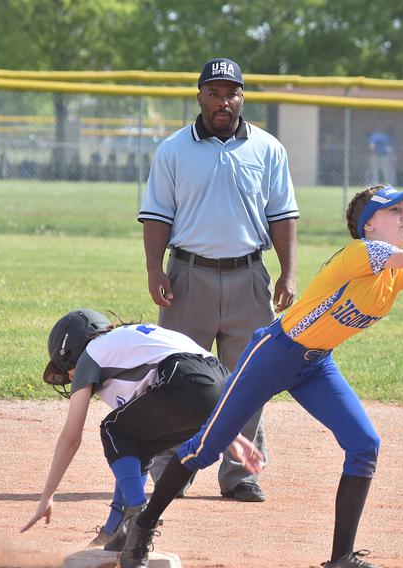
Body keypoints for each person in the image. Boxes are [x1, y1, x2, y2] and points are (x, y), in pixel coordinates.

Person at [115, 185, 403, 568]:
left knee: (364, 444)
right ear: (369, 223)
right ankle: (143, 525)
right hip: (274, 353)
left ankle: (341, 558)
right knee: (205, 448)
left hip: (315, 363)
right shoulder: (362, 253)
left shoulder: (396, 272)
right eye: (396, 209)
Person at [138, 57, 299, 503]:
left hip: (249, 276)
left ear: (243, 97)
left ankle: (240, 474)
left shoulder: (268, 148)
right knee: (177, 377)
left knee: (249, 379)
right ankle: (171, 469)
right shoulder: (173, 149)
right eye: (213, 92)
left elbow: (283, 215)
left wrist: (288, 272)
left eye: (231, 92)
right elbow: (156, 217)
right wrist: (155, 269)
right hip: (188, 274)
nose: (222, 101)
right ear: (199, 97)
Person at [20, 309, 263, 549]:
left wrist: (47, 495)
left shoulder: (90, 355)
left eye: (67, 370)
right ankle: (116, 531)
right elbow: (207, 384)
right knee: (136, 445)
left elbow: (71, 437)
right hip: (222, 382)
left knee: (112, 429)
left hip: (184, 377)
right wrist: (232, 434)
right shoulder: (126, 347)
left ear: (72, 351)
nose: (71, 377)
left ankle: (138, 513)